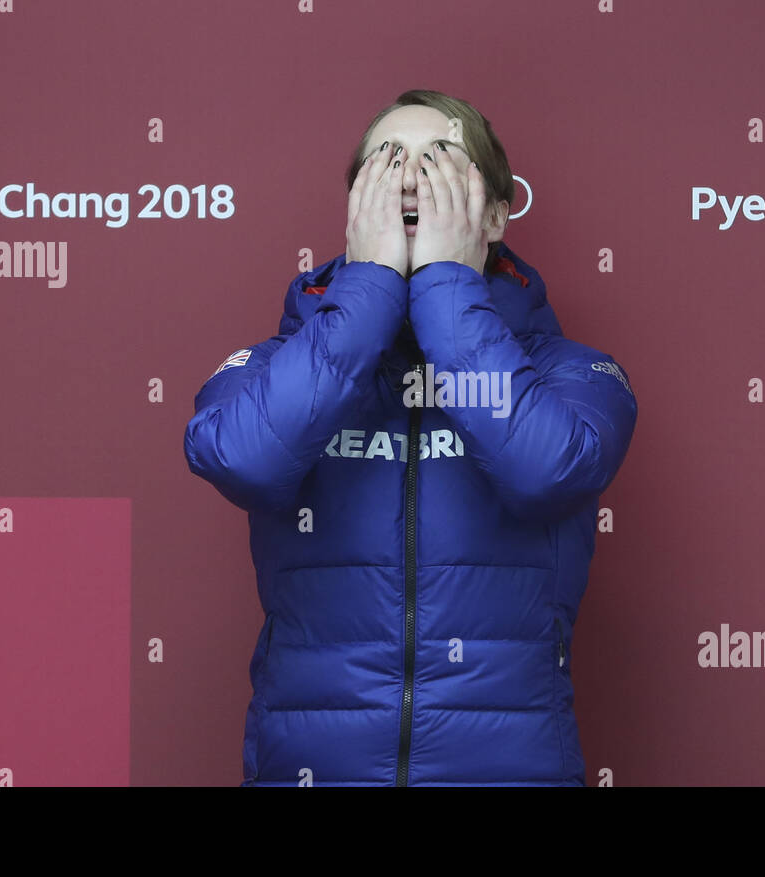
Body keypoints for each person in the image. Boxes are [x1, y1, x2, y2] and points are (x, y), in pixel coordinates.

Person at [184, 89, 637, 786]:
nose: (410, 176)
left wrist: (446, 284)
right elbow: (241, 456)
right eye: (388, 158)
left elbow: (545, 468)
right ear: (356, 205)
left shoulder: (572, 373)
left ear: (494, 213)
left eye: (441, 159)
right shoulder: (276, 363)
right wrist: (366, 288)